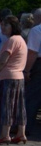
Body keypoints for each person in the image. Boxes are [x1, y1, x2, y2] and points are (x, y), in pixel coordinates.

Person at [0, 16, 28, 144]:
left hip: (8, 76)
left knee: (7, 106)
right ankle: (21, 133)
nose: (3, 27)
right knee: (19, 107)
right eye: (2, 25)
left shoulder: (11, 40)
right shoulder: (21, 40)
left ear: (13, 26)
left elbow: (2, 61)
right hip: (19, 77)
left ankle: (5, 135)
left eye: (6, 25)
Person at [24, 8, 41, 136]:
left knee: (32, 97)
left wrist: (27, 70)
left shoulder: (36, 30)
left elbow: (33, 52)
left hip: (39, 64)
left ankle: (26, 127)